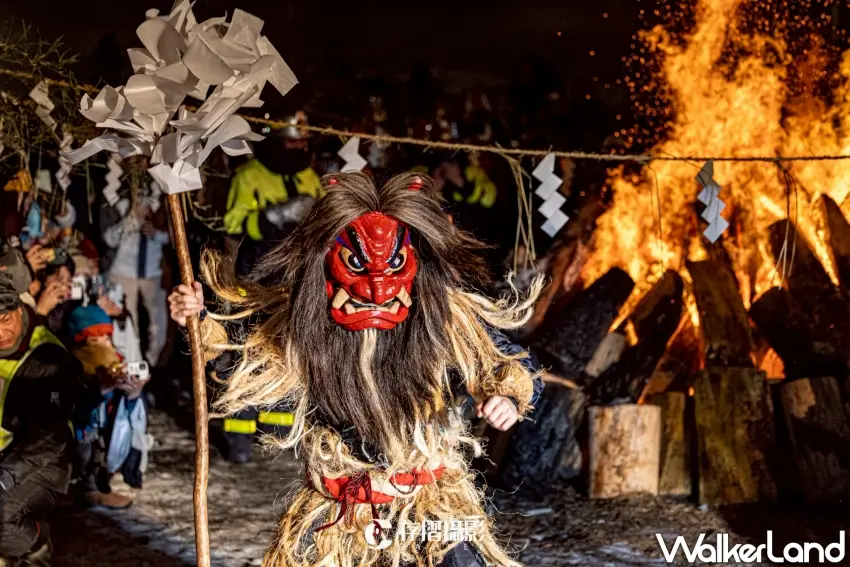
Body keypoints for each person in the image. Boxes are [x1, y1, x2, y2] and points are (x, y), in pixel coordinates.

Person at [170, 173, 543, 567]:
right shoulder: (302, 322)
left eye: (393, 267)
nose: (377, 291)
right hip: (341, 510)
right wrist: (197, 316)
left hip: (431, 502)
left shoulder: (444, 317)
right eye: (358, 268)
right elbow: (237, 341)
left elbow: (507, 362)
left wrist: (507, 395)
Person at [0, 272, 92, 566]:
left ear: (18, 311)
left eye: (5, 321)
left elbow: (50, 437)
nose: (0, 333)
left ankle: (34, 544)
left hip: (42, 461)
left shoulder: (48, 359)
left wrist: (6, 475)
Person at [67, 305, 148, 509]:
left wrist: (133, 392)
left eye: (106, 337)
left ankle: (96, 486)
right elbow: (74, 410)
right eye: (95, 339)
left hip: (105, 432)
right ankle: (84, 488)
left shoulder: (116, 362)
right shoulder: (70, 366)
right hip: (76, 436)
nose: (103, 344)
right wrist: (100, 390)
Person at [100, 164, 170, 367]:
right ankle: (130, 363)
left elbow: (172, 239)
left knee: (159, 321)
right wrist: (130, 220)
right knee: (128, 322)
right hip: (122, 272)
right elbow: (109, 239)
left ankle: (154, 363)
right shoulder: (121, 207)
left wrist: (156, 233)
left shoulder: (159, 207)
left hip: (151, 273)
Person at [223, 112, 324, 241]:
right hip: (265, 253)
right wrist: (278, 214)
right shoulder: (248, 176)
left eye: (304, 141)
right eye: (292, 141)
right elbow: (234, 226)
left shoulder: (310, 175)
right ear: (274, 142)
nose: (301, 146)